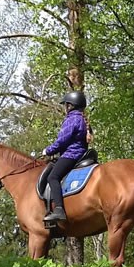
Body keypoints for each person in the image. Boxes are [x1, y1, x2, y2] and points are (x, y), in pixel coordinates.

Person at [42, 91, 90, 221]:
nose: (65, 108)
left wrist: (48, 151)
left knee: (53, 177)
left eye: (66, 105)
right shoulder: (82, 119)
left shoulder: (72, 119)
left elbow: (62, 140)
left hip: (72, 154)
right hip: (81, 153)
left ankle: (59, 209)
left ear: (70, 105)